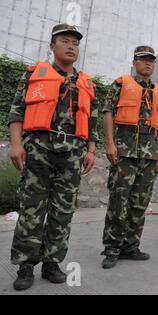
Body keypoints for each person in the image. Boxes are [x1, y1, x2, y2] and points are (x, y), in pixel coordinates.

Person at [8, 24, 98, 290]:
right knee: (32, 209)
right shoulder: (35, 75)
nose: (71, 46)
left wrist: (91, 149)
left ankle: (51, 262)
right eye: (65, 41)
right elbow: (16, 111)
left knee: (63, 211)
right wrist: (16, 144)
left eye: (75, 42)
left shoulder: (85, 82)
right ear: (52, 46)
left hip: (72, 154)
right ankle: (25, 266)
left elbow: (90, 120)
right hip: (39, 149)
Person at [101, 46, 158, 269]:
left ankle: (131, 246)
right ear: (134, 62)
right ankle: (112, 248)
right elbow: (107, 112)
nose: (148, 63)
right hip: (125, 150)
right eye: (143, 59)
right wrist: (110, 143)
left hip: (149, 153)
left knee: (140, 203)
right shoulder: (120, 84)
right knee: (119, 201)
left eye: (151, 60)